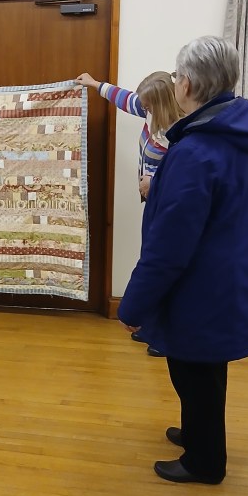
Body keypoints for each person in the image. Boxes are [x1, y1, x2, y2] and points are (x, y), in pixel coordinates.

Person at [117, 36, 248, 484]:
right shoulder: (242, 136)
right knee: (204, 366)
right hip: (228, 275)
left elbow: (169, 247)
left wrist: (134, 306)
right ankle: (196, 434)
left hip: (202, 284)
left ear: (186, 84)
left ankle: (205, 462)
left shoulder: (195, 152)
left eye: (175, 76)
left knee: (193, 372)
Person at [76, 69, 183, 356]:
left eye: (147, 105)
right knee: (150, 257)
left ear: (161, 103)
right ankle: (151, 323)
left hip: (169, 205)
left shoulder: (180, 133)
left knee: (161, 264)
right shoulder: (151, 112)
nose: (142, 107)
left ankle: (165, 335)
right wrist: (94, 84)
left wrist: (153, 183)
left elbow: (181, 176)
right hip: (153, 202)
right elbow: (125, 99)